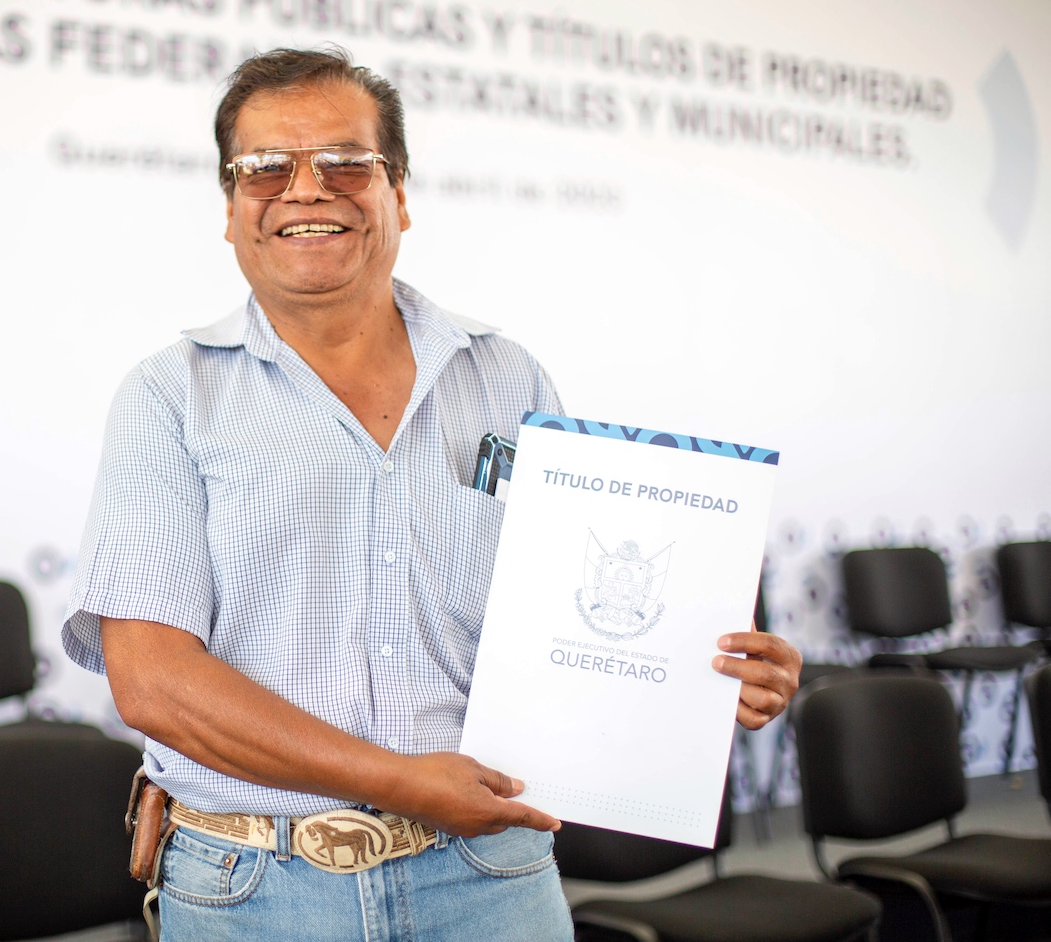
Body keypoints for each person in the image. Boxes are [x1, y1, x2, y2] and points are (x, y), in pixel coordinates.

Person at [61, 47, 802, 941]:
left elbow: (574, 623)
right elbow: (155, 686)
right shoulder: (168, 396)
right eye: (266, 168)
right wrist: (398, 780)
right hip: (257, 888)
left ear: (399, 195)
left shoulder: (508, 377)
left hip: (489, 877)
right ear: (230, 207)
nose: (306, 189)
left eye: (346, 162)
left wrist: (707, 671)